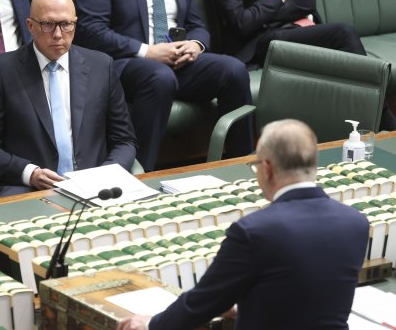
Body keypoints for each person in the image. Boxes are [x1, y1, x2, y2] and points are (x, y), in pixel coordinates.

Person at [118, 119, 369, 330]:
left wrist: (151, 324)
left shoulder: (255, 231)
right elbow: (307, 292)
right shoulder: (356, 223)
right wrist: (251, 304)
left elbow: (202, 303)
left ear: (267, 168)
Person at [74, 0, 253, 171]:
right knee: (159, 76)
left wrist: (196, 45)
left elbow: (196, 25)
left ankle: (241, 166)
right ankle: (137, 173)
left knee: (234, 70)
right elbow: (90, 31)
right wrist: (146, 51)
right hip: (127, 63)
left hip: (176, 62)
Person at [206, 0, 396, 129]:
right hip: (263, 41)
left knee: (344, 43)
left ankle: (360, 127)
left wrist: (262, 15)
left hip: (300, 29)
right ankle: (385, 120)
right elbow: (242, 22)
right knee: (343, 34)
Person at [0, 0, 137, 197]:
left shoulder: (102, 66)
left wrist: (106, 173)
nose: (58, 34)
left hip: (96, 187)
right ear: (30, 26)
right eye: (48, 25)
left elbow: (124, 140)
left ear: (75, 23)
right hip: (29, 190)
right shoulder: (3, 71)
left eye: (66, 24)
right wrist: (29, 173)